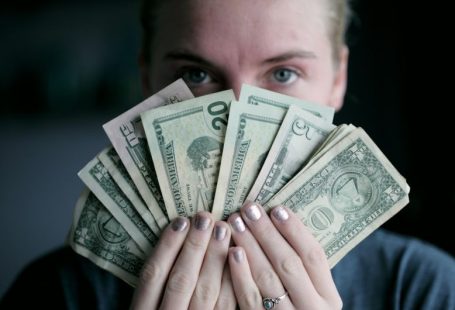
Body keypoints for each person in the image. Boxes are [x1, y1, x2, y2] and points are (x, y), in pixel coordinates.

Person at [2, 0, 455, 309]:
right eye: (196, 73)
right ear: (146, 78)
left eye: (283, 72)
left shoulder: (426, 289)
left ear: (339, 78)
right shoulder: (57, 294)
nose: (237, 112)